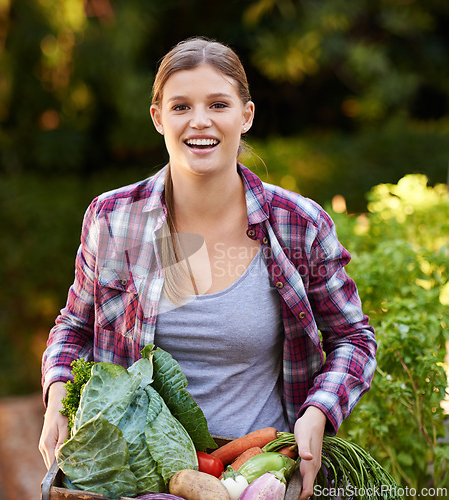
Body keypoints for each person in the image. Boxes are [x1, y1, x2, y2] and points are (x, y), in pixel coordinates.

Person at [39, 37, 377, 500]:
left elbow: (354, 338)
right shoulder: (114, 219)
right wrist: (58, 392)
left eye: (218, 104)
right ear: (159, 118)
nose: (199, 121)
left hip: (256, 478)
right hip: (134, 482)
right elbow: (73, 327)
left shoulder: (297, 224)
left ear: (246, 115)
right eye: (181, 106)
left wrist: (319, 412)